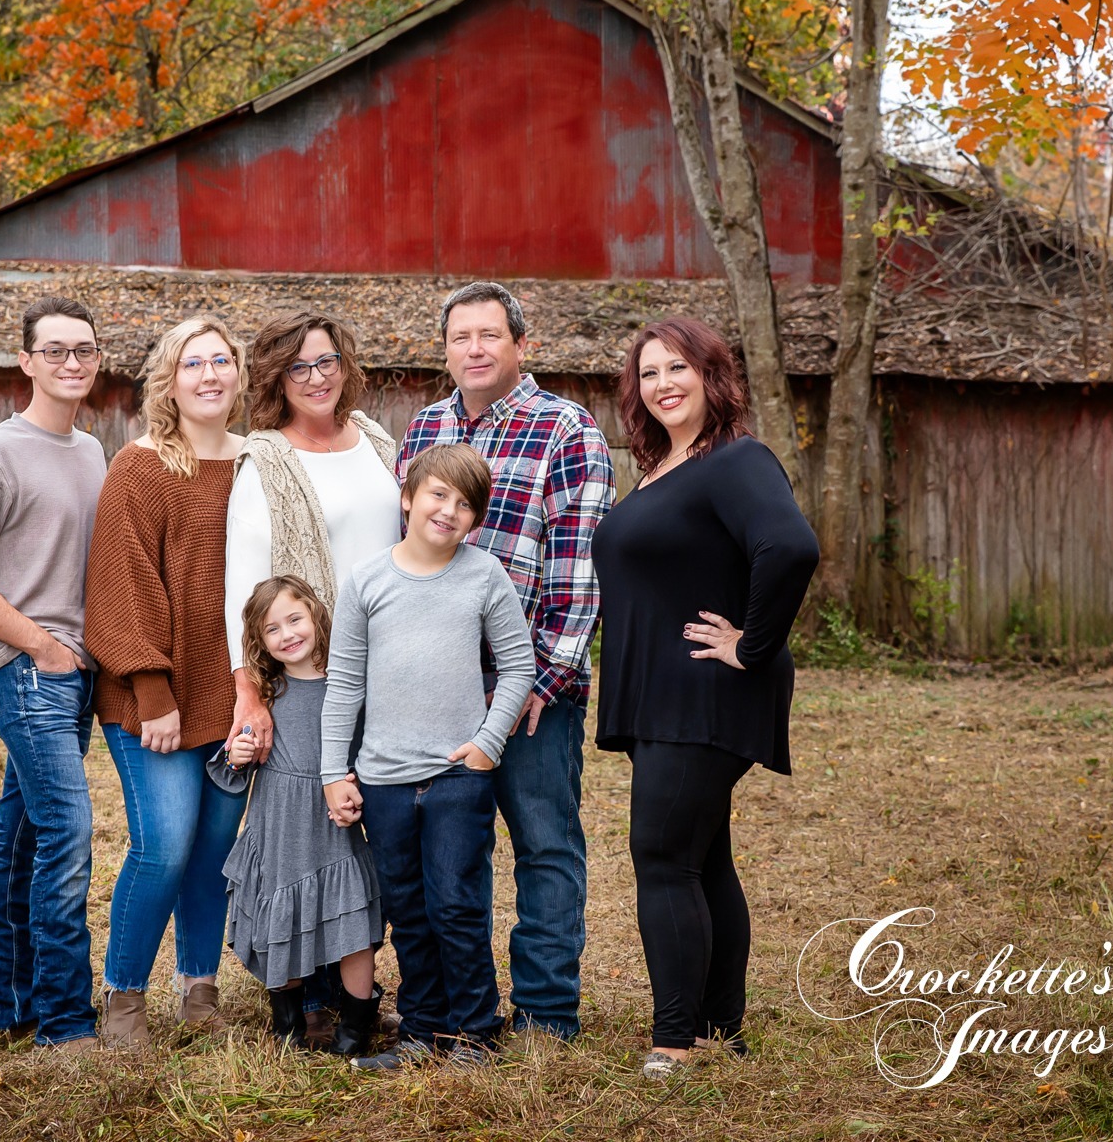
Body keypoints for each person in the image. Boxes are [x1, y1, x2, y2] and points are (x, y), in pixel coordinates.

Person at [591, 318, 820, 1077]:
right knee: (701, 856)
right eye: (649, 372)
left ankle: (675, 1040)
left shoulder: (735, 458)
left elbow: (789, 547)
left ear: (712, 374)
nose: (663, 383)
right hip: (666, 694)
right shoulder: (666, 467)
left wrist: (751, 644)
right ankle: (721, 1026)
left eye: (678, 367)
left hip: (703, 691)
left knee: (662, 856)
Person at [396, 282, 614, 1041]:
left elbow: (580, 568)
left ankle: (546, 1013)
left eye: (491, 335)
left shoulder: (566, 429)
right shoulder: (425, 427)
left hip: (530, 692)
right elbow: (405, 555)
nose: (476, 349)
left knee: (544, 844)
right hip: (435, 688)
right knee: (453, 859)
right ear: (446, 348)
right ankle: (466, 1008)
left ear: (522, 345)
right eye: (462, 337)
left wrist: (544, 679)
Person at [0, 295, 108, 1053]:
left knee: (23, 839)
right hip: (26, 672)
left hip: (75, 674)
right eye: (57, 350)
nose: (73, 363)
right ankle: (66, 1025)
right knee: (68, 835)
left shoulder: (94, 450)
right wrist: (40, 645)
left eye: (86, 351)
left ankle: (7, 1004)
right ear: (27, 361)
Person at [322, 444, 535, 1070]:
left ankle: (473, 1035)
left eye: (466, 504)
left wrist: (487, 745)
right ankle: (422, 1033)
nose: (449, 511)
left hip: (456, 778)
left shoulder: (483, 576)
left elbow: (518, 666)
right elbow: (345, 685)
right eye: (438, 494)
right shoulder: (367, 580)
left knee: (456, 907)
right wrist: (337, 770)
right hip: (385, 782)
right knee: (409, 912)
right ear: (409, 498)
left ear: (475, 520)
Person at [224, 309, 402, 1040]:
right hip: (312, 677)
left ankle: (366, 990)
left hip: (389, 668)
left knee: (375, 830)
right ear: (277, 379)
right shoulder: (265, 461)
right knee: (311, 832)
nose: (317, 377)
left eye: (327, 361)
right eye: (299, 367)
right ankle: (309, 1001)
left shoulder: (379, 442)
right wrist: (248, 694)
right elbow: (244, 584)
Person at [81, 317, 251, 1047]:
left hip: (234, 689)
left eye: (221, 361)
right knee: (166, 845)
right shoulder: (143, 466)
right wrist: (154, 691)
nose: (209, 374)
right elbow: (121, 583)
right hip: (155, 697)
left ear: (240, 376)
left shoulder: (258, 463)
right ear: (169, 381)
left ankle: (199, 991)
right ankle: (123, 1000)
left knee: (215, 853)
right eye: (193, 364)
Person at [208, 576, 384, 1055]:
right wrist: (240, 752)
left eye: (294, 619)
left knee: (351, 930)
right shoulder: (266, 693)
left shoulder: (349, 684)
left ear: (316, 615)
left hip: (332, 826)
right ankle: (287, 1025)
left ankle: (354, 1030)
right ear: (259, 642)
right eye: (272, 629)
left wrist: (357, 785)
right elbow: (231, 766)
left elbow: (370, 750)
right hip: (280, 825)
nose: (287, 634)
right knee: (278, 921)